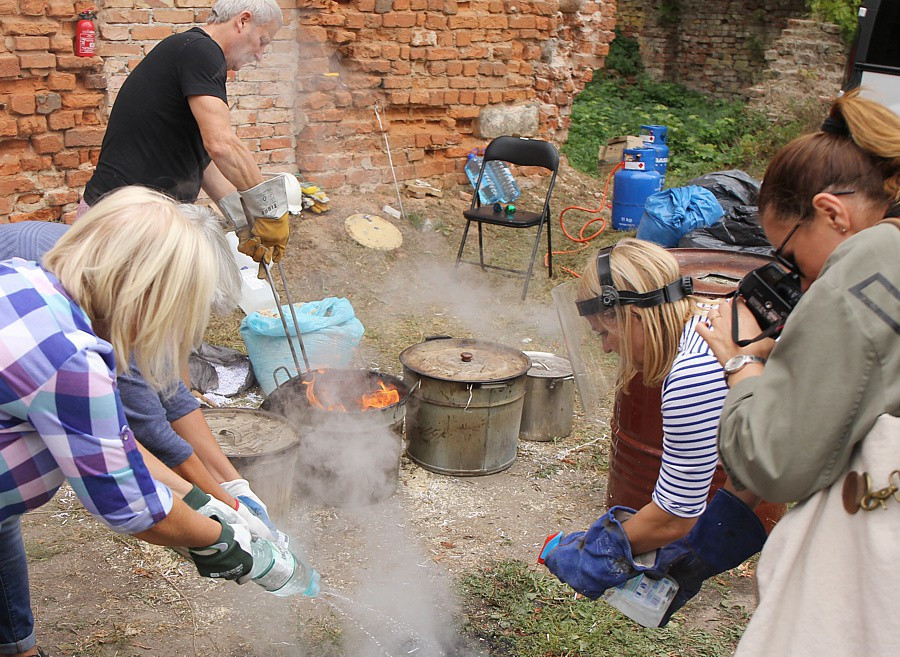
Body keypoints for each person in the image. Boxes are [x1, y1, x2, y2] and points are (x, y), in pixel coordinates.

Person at [0, 188, 261, 657]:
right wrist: (223, 542)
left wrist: (210, 498)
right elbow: (132, 509)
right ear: (150, 292)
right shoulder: (71, 360)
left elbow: (114, 444)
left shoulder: (26, 281)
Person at [697, 91, 900, 654]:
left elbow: (774, 463)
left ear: (832, 213)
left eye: (788, 252)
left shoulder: (868, 261)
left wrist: (738, 364)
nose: (796, 275)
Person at [0, 211, 281, 543]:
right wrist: (220, 515)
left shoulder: (133, 290)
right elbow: (142, 443)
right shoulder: (83, 342)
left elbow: (172, 395)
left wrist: (234, 487)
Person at [539, 238, 767, 624]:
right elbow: (762, 454)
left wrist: (593, 553)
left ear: (634, 318)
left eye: (603, 334)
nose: (607, 349)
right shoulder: (711, 320)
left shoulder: (693, 375)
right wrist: (703, 551)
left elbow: (672, 518)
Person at [80, 0, 291, 268]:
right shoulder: (201, 51)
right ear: (243, 21)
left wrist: (243, 220)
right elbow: (222, 144)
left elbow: (202, 159)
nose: (260, 55)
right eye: (262, 41)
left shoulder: (190, 52)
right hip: (121, 222)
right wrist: (270, 211)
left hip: (132, 218)